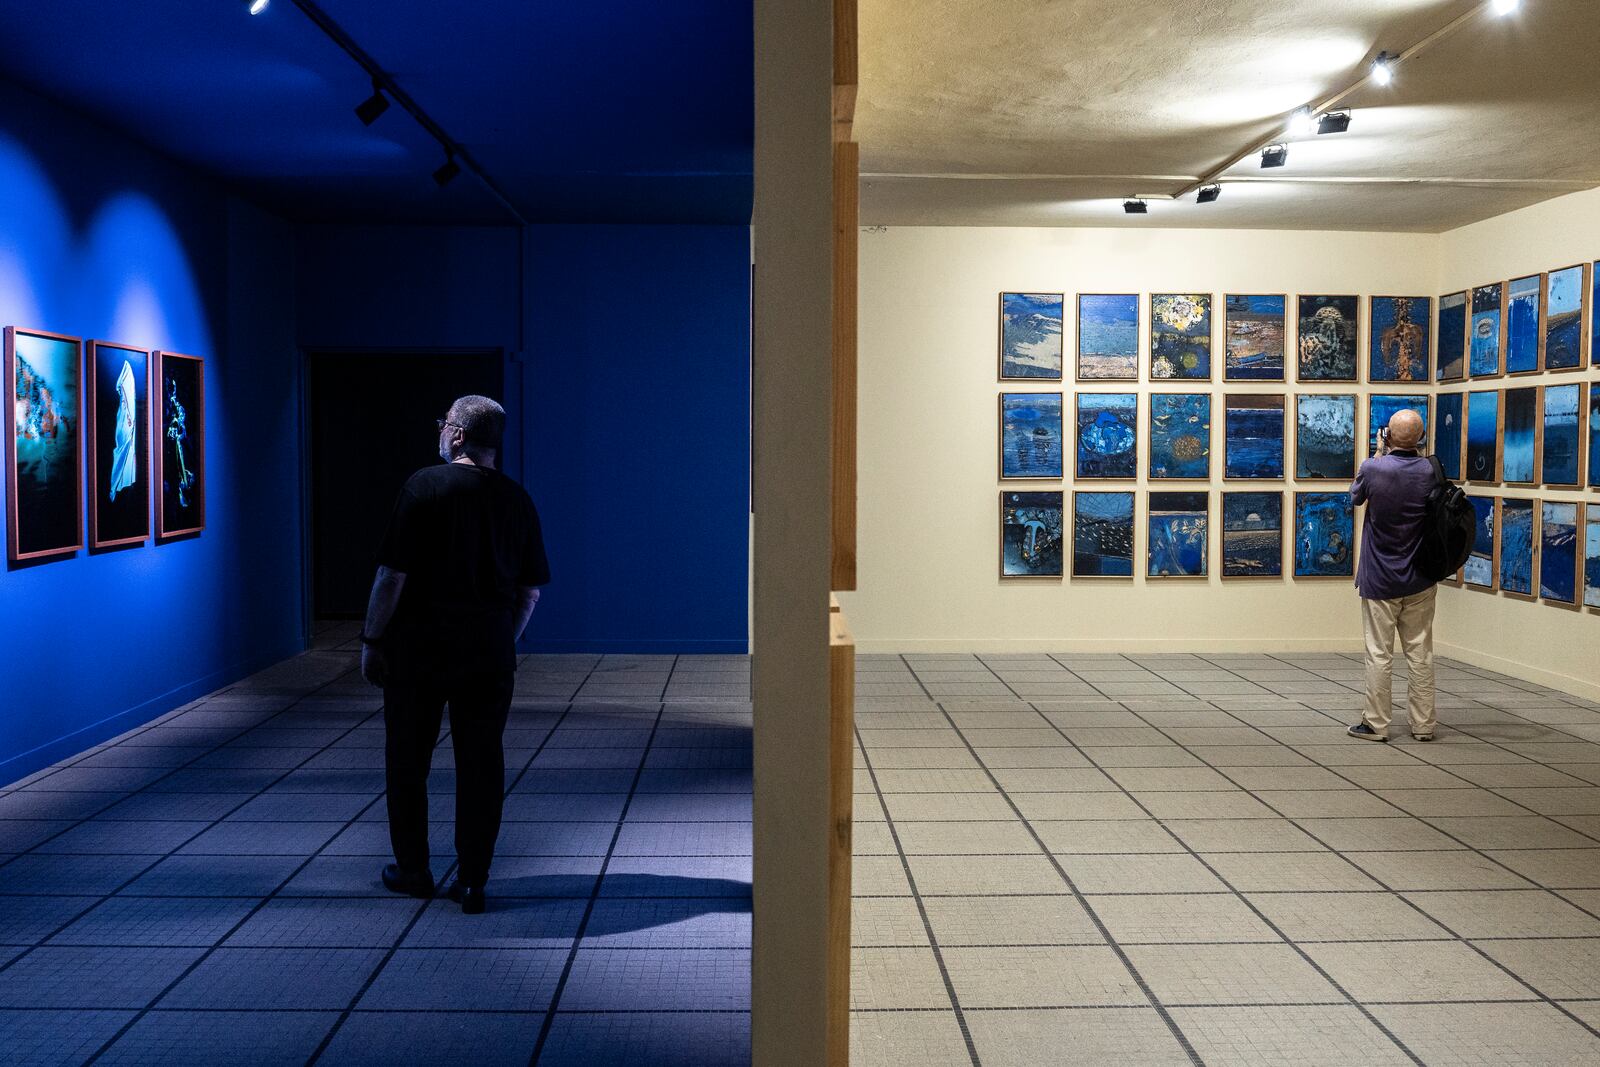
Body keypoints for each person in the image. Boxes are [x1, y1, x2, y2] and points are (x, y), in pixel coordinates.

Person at [359, 395, 549, 914]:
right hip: (487, 654)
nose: (441, 431)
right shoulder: (517, 499)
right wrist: (498, 639)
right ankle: (473, 879)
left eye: (444, 424)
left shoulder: (423, 486)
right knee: (482, 764)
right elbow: (530, 591)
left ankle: (414, 870)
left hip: (417, 653)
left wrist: (373, 641)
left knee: (407, 762)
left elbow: (392, 576)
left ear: (459, 434)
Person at [1346, 408, 1437, 743]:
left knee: (1379, 653)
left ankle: (1376, 723)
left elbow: (1355, 497)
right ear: (1421, 437)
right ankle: (1423, 724)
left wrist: (1376, 453)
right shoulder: (1430, 470)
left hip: (1380, 578)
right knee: (1420, 652)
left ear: (1385, 436)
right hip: (1421, 578)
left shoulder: (1373, 468)